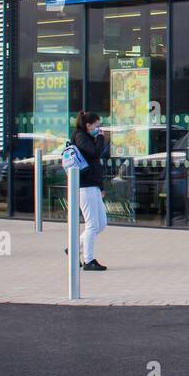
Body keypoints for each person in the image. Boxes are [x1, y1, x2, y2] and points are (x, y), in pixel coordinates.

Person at [72, 111, 109, 271]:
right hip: (85, 187)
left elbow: (94, 162)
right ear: (88, 125)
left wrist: (100, 187)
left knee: (101, 224)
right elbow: (95, 152)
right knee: (92, 225)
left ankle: (73, 250)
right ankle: (88, 260)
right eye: (97, 125)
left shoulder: (87, 137)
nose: (99, 128)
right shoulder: (80, 136)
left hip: (93, 185)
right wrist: (100, 137)